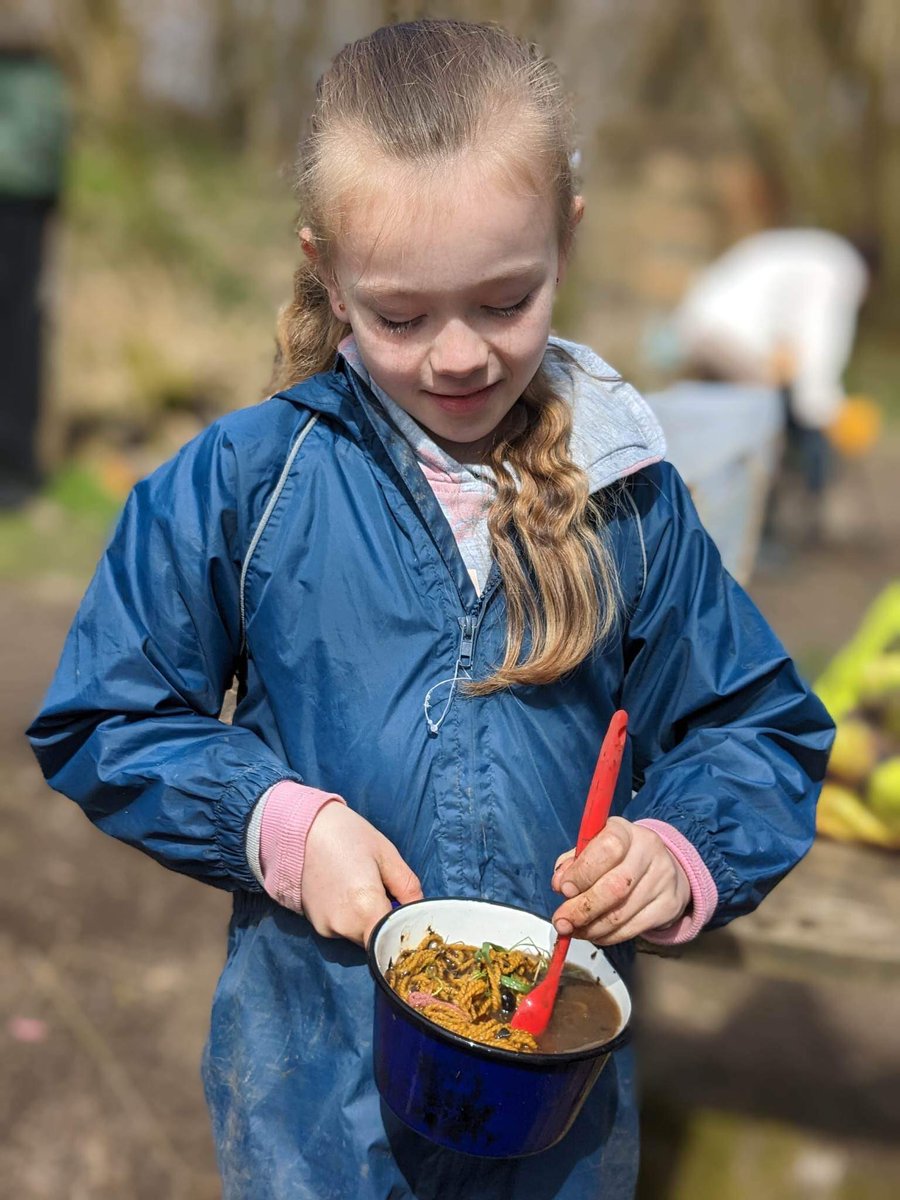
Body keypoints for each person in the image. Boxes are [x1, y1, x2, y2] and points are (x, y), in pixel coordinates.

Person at [28, 20, 833, 1200]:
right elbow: (107, 713)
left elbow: (754, 727)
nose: (459, 357)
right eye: (402, 317)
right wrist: (279, 826)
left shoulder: (629, 493)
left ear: (566, 237)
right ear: (328, 273)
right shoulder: (247, 483)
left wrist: (679, 848)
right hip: (316, 1095)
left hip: (559, 1110)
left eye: (505, 301)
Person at [673, 228, 873, 542]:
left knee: (720, 426)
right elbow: (819, 347)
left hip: (702, 320)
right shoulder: (841, 271)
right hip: (731, 332)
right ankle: (758, 530)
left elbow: (791, 336)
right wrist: (823, 410)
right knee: (765, 419)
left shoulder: (813, 254)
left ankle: (710, 514)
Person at [0, 29, 69, 508]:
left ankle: (15, 465)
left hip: (18, 200)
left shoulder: (32, 76)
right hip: (30, 196)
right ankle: (17, 464)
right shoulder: (45, 79)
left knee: (18, 329)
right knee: (22, 326)